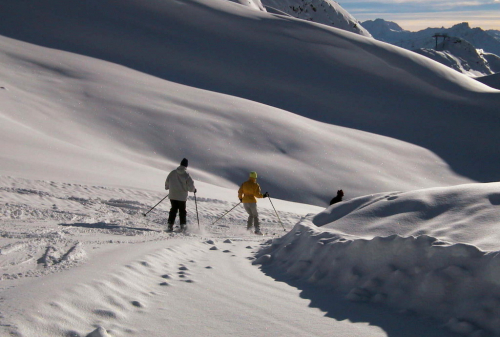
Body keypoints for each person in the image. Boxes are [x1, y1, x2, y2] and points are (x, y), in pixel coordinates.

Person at [165, 158, 196, 232]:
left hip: (172, 195)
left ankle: (170, 225)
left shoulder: (172, 172)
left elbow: (167, 182)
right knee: (182, 211)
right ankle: (183, 226)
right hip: (182, 197)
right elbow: (190, 186)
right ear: (186, 166)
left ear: (180, 164)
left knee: (173, 209)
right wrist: (194, 190)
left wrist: (168, 187)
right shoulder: (186, 175)